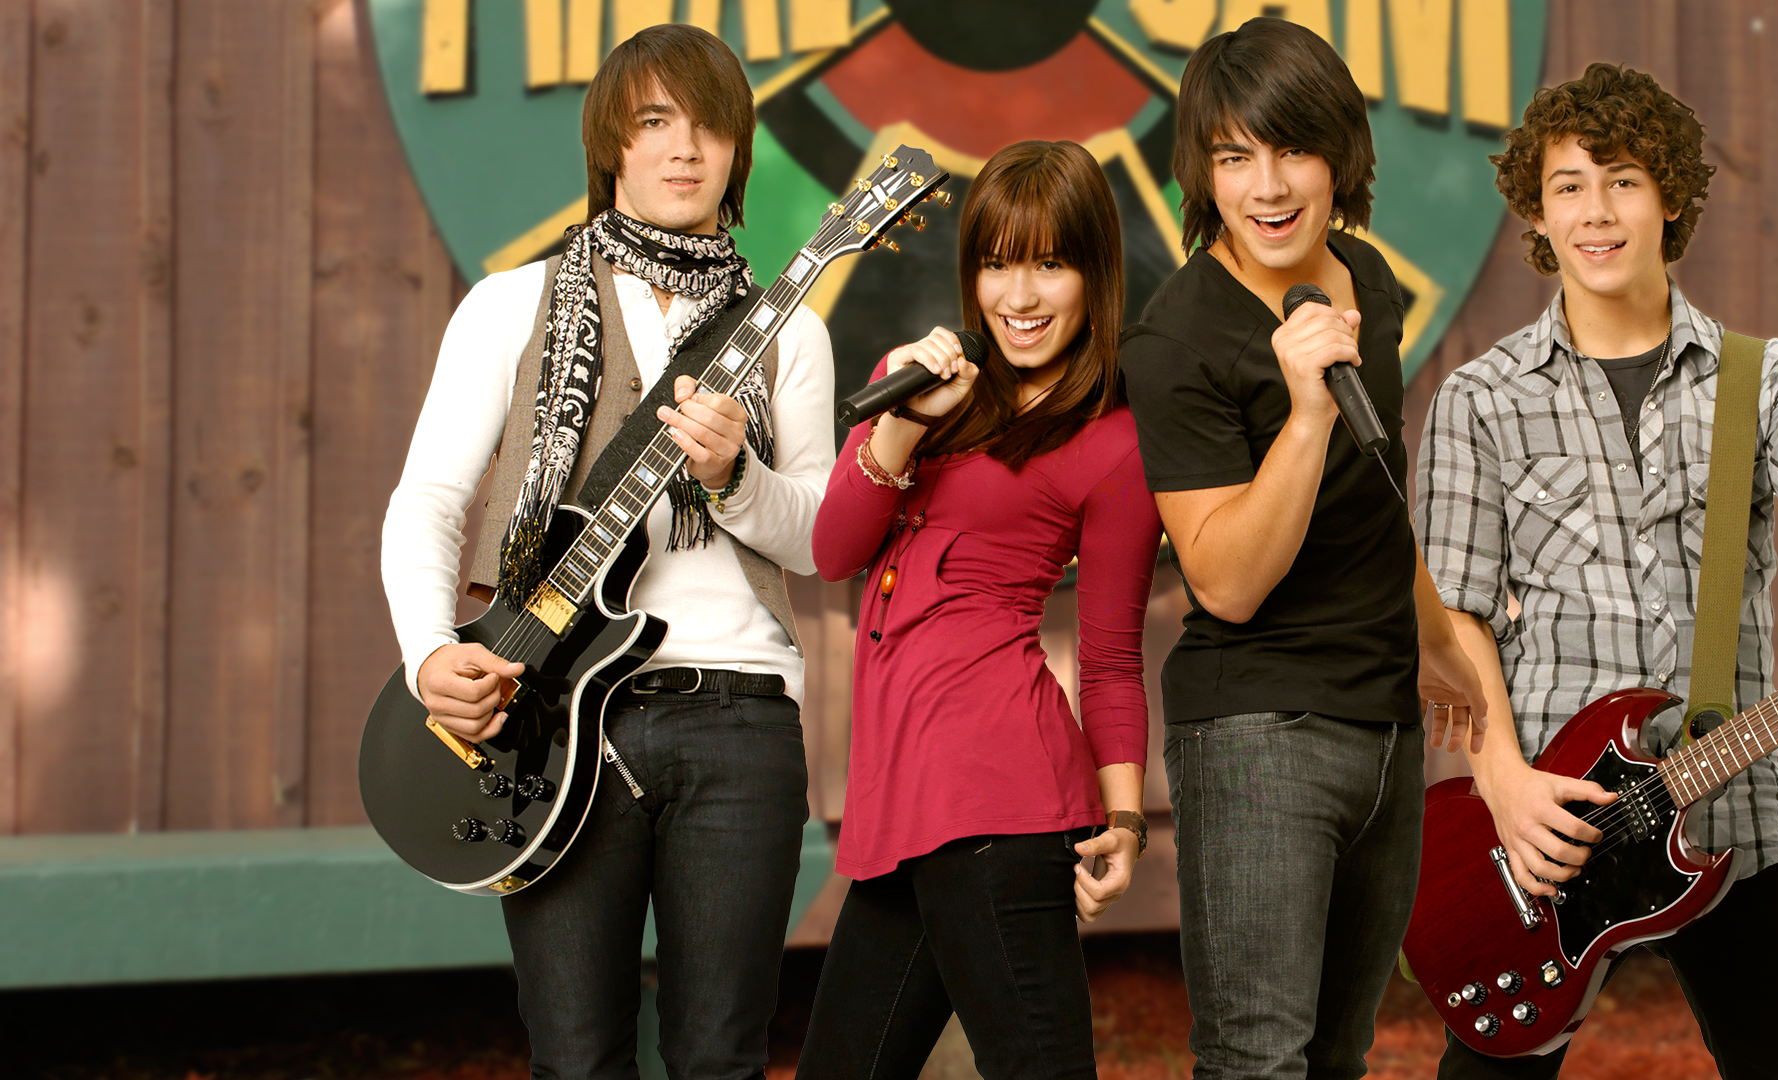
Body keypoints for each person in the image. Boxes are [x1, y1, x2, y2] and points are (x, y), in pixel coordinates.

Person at [1418, 62, 1778, 1079]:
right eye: (1569, 186)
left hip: (1735, 820)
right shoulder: (1481, 399)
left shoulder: (1762, 380)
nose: (1596, 212)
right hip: (1547, 830)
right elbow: (1457, 614)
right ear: (1537, 212)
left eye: (1624, 181)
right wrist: (1503, 781)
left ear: (1672, 198)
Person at [380, 24, 834, 1080]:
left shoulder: (790, 332)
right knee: (577, 1060)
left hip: (741, 714)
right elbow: (428, 502)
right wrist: (426, 652)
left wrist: (736, 478)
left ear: (739, 149)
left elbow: (816, 540)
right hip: (551, 718)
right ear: (610, 146)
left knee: (721, 1060)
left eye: (710, 125)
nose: (686, 147)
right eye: (655, 122)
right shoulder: (511, 306)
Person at [1116, 18, 1487, 1079]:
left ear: (1341, 158)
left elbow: (1378, 494)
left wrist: (1435, 639)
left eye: (1292, 151)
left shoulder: (1364, 277)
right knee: (1258, 1062)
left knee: (1339, 1056)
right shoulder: (1176, 338)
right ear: (1203, 174)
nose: (1268, 187)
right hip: (1259, 730)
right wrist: (1307, 410)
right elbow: (1227, 582)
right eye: (1234, 157)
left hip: (1387, 723)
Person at [798, 140, 1163, 1080]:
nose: (1020, 294)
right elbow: (834, 552)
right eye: (998, 263)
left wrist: (1125, 822)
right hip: (904, 805)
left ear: (1094, 274)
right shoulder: (915, 381)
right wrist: (906, 418)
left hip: (1003, 800)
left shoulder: (1114, 441)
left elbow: (1110, 657)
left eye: (1051, 263)